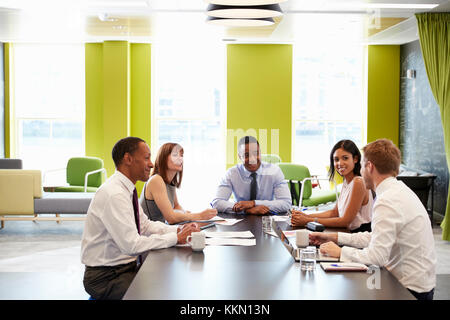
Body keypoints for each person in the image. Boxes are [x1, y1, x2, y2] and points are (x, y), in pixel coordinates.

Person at [310, 139, 436, 300]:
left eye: (362, 166)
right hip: (417, 283)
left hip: (409, 290)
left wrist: (341, 251)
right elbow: (376, 236)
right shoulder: (398, 190)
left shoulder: (387, 200)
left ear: (369, 166)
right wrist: (333, 237)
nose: (360, 171)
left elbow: (377, 256)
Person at [80, 137, 200, 300]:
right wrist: (175, 238)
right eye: (146, 158)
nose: (151, 164)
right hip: (106, 277)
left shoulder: (125, 190)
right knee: (163, 294)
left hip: (124, 268)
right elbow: (132, 244)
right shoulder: (114, 194)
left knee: (172, 284)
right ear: (128, 159)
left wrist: (178, 230)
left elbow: (144, 225)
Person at [291, 139, 373, 232]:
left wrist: (307, 220)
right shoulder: (347, 181)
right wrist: (305, 216)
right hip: (347, 232)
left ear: (355, 159)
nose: (340, 163)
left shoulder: (358, 182)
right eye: (336, 159)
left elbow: (345, 221)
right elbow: (334, 212)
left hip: (358, 234)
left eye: (345, 158)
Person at [140, 142, 217, 224]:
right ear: (163, 158)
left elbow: (176, 206)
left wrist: (184, 213)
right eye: (175, 155)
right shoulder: (156, 180)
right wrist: (199, 216)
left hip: (162, 230)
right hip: (152, 234)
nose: (180, 158)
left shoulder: (170, 183)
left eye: (181, 155)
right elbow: (171, 218)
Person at [211, 136, 291, 214]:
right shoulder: (232, 173)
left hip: (267, 220)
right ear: (240, 157)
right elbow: (216, 202)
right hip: (240, 221)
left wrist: (253, 203)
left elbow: (286, 203)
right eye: (246, 155)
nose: (252, 159)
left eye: (256, 153)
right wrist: (246, 210)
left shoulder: (274, 171)